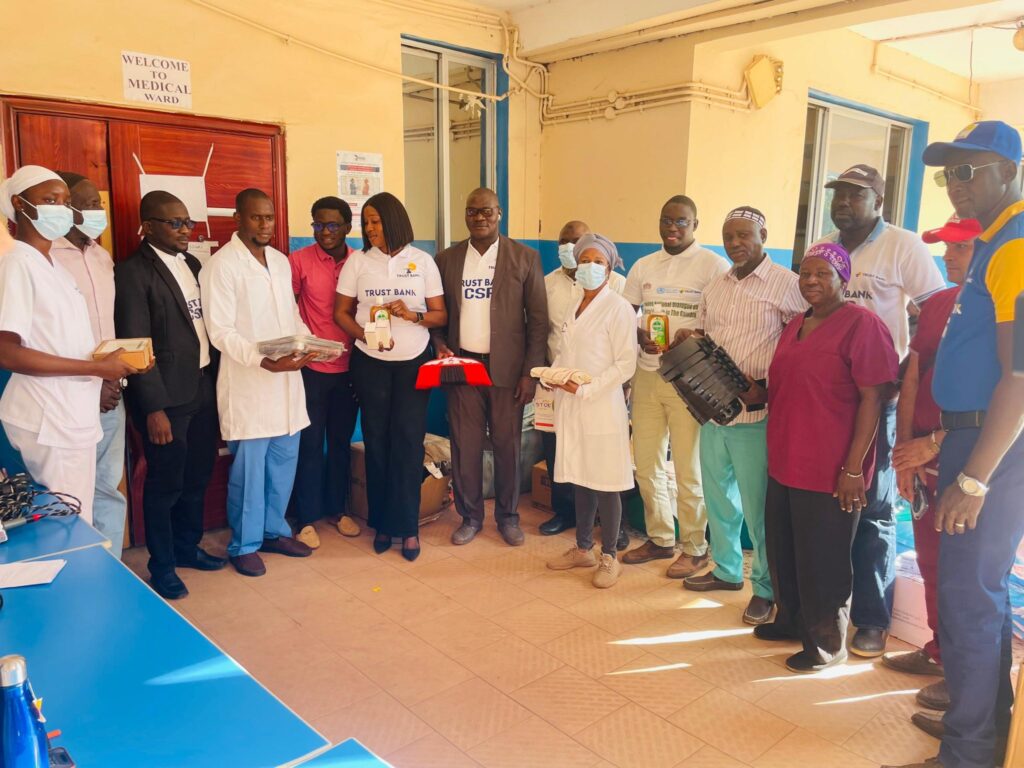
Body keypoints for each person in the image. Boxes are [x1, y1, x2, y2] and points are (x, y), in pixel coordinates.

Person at [885, 121, 1024, 768]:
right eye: (948, 174)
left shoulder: (1014, 247)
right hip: (971, 438)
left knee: (971, 601)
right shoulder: (995, 245)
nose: (956, 185)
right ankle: (984, 731)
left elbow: (1020, 376)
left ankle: (969, 753)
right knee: (972, 599)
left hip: (991, 448)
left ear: (1008, 172)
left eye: (969, 171)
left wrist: (974, 478)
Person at [817, 164, 946, 658]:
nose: (844, 202)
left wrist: (906, 376)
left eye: (856, 194)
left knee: (874, 509)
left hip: (880, 401)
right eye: (839, 194)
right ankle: (829, 608)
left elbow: (934, 313)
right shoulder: (824, 246)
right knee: (831, 504)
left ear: (878, 201)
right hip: (830, 403)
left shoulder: (902, 245)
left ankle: (872, 618)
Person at [754, 242, 898, 674]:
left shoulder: (862, 325)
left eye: (823, 274)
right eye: (805, 273)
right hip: (786, 459)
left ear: (843, 279)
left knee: (824, 559)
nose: (811, 281)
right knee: (785, 550)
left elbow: (874, 398)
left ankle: (825, 643)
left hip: (831, 468)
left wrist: (854, 468)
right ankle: (791, 619)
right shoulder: (797, 324)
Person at [671, 207, 806, 625]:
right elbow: (706, 335)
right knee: (719, 501)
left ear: (763, 234)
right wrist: (690, 336)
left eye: (744, 235)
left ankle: (764, 588)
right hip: (714, 412)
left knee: (758, 509)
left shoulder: (787, 284)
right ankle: (727, 571)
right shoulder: (717, 285)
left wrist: (770, 388)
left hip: (756, 415)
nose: (735, 244)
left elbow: (803, 344)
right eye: (729, 236)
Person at [883, 215, 979, 739]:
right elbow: (914, 375)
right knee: (932, 561)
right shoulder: (940, 304)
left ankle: (966, 682)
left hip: (968, 466)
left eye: (959, 247)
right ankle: (941, 651)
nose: (948, 256)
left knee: (966, 575)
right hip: (923, 460)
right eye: (946, 247)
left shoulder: (1001, 310)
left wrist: (935, 443)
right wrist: (905, 452)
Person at [0, 166, 137, 523]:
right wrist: (96, 369)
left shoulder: (53, 267)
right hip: (48, 416)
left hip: (73, 411)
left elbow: (64, 340)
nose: (61, 209)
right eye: (50, 200)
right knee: (66, 525)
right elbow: (7, 352)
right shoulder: (16, 264)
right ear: (20, 204)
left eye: (64, 201)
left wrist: (108, 365)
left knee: (81, 517)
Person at [115, 190, 225, 599]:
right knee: (165, 485)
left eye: (188, 222)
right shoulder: (133, 272)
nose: (185, 230)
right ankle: (161, 566)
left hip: (202, 386)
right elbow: (135, 343)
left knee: (197, 475)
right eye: (175, 223)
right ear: (148, 226)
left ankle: (186, 547)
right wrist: (153, 408)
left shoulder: (193, 264)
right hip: (166, 398)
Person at [200, 188, 315, 577]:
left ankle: (273, 532)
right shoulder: (221, 266)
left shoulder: (280, 262)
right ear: (238, 218)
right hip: (250, 386)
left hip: (287, 385)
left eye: (269, 217)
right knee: (249, 475)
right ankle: (244, 544)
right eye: (256, 217)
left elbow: (292, 315)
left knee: (282, 467)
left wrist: (308, 344)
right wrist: (263, 360)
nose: (265, 224)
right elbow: (220, 331)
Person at [432, 188, 548, 547]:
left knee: (507, 445)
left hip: (508, 371)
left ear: (500, 214)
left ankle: (508, 517)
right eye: (472, 212)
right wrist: (439, 343)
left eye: (486, 212)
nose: (479, 218)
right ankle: (470, 517)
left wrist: (529, 373)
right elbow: (436, 312)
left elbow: (539, 321)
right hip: (463, 367)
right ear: (465, 215)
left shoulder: (524, 258)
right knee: (464, 445)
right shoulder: (447, 259)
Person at [621, 195, 729, 578]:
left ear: (695, 225)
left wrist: (694, 336)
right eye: (666, 220)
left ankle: (695, 547)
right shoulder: (644, 265)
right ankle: (661, 537)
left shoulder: (713, 266)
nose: (672, 227)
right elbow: (626, 314)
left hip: (690, 379)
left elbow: (723, 320)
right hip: (647, 374)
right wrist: (639, 335)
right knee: (646, 464)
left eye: (681, 221)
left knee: (688, 469)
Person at [335, 192, 446, 561]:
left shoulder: (422, 261)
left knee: (408, 442)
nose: (369, 228)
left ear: (394, 220)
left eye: (376, 221)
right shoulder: (358, 262)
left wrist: (413, 315)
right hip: (370, 363)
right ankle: (382, 523)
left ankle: (408, 527)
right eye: (366, 222)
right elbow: (341, 313)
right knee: (377, 440)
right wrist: (364, 335)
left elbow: (440, 315)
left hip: (414, 362)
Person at [545, 234, 637, 588]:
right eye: (585, 261)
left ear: (610, 269)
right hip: (572, 404)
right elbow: (565, 351)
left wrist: (588, 388)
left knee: (607, 481)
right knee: (581, 475)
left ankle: (610, 556)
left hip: (601, 405)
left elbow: (625, 364)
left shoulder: (618, 308)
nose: (591, 267)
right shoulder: (574, 305)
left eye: (599, 262)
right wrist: (554, 375)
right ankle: (583, 548)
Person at [50, 171, 127, 556]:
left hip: (111, 387)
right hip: (68, 391)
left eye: (99, 204)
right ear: (66, 209)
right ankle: (79, 567)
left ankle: (110, 567)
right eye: (89, 204)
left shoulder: (102, 257)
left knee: (108, 484)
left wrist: (112, 380)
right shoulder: (46, 259)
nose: (98, 211)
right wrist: (91, 381)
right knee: (68, 490)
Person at [289, 196, 360, 549]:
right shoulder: (299, 261)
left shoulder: (359, 262)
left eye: (332, 225)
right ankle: (306, 518)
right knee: (310, 445)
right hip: (312, 370)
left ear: (347, 226)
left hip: (350, 369)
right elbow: (286, 308)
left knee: (341, 443)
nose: (324, 232)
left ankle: (337, 510)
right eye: (318, 225)